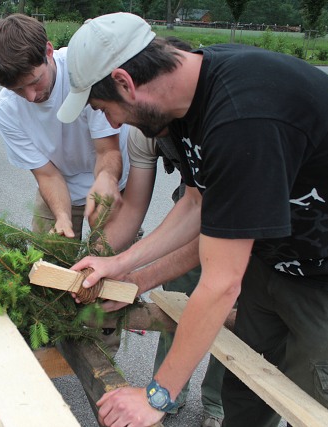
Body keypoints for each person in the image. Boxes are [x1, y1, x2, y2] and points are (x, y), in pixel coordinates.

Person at [58, 12, 328, 427]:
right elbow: (197, 206)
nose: (114, 123)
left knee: (324, 411)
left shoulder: (243, 115)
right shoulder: (186, 105)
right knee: (247, 389)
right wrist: (120, 267)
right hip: (272, 263)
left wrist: (158, 395)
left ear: (125, 82)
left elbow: (222, 281)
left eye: (106, 109)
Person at [104, 124, 225, 427]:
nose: (112, 123)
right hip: (196, 203)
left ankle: (217, 402)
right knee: (177, 303)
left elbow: (222, 241)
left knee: (230, 313)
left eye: (108, 109)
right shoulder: (142, 131)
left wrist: (139, 279)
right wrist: (110, 260)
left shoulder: (220, 126)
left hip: (247, 221)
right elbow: (137, 207)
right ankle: (172, 389)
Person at [0, 14, 130, 241]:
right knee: (49, 258)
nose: (30, 97)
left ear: (48, 52)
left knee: (109, 260)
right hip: (59, 182)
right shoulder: (6, 109)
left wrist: (106, 183)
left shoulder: (84, 71)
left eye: (34, 82)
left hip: (109, 175)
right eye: (17, 90)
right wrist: (62, 216)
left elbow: (107, 151)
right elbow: (47, 174)